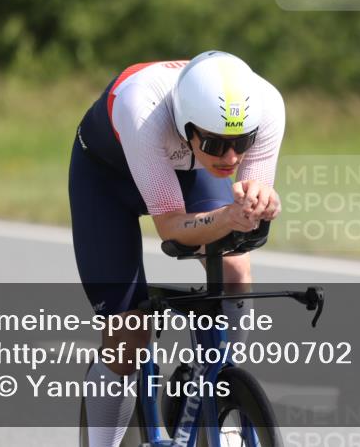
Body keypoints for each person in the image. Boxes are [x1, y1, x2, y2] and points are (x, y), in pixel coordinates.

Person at [69, 50, 285, 447]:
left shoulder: (267, 104)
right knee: (128, 333)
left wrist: (260, 204)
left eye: (242, 142)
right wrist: (225, 217)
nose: (232, 157)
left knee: (236, 271)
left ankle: (221, 397)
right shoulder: (142, 108)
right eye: (218, 144)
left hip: (188, 172)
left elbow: (248, 207)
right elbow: (170, 228)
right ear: (186, 126)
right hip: (107, 180)